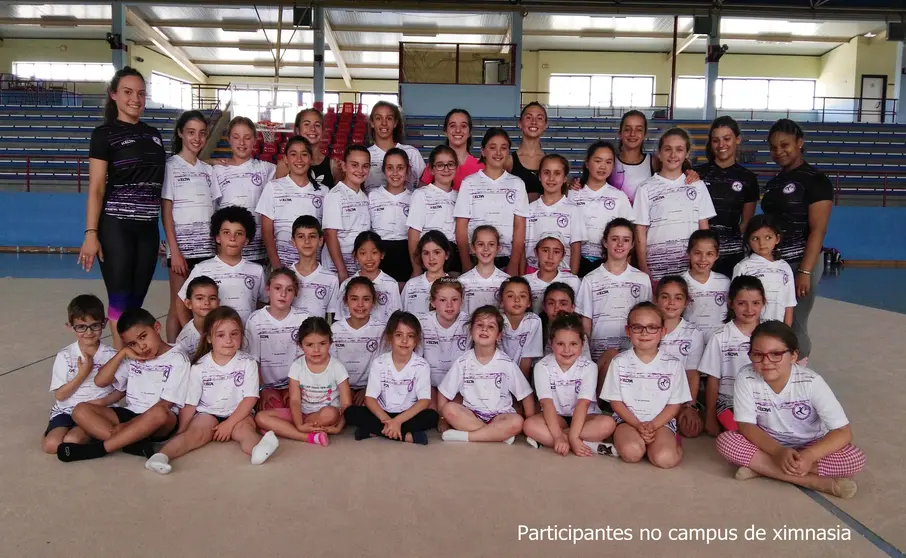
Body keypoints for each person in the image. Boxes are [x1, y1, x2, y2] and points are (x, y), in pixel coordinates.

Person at [717, 321, 865, 499]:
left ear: (793, 356)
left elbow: (843, 432)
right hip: (767, 444)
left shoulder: (811, 382)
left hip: (810, 444)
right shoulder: (746, 376)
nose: (766, 362)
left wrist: (809, 456)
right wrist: (778, 452)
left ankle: (762, 468)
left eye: (776, 354)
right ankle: (814, 482)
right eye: (758, 354)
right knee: (727, 442)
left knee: (854, 459)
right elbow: (746, 426)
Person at [78, 66, 167, 348]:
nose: (135, 99)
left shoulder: (154, 135)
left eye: (141, 93)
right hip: (116, 227)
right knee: (119, 299)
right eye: (128, 92)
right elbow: (96, 187)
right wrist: (91, 233)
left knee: (136, 301)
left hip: (148, 230)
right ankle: (122, 361)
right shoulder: (104, 134)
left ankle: (132, 357)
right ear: (114, 95)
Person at [144, 307, 278, 474]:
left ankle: (258, 450)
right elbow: (190, 404)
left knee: (246, 431)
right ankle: (161, 457)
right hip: (208, 414)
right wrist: (181, 430)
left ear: (241, 335)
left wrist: (229, 424)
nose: (228, 340)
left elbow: (250, 398)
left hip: (239, 413)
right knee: (194, 434)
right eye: (221, 335)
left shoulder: (248, 363)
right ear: (208, 338)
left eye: (234, 334)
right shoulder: (199, 367)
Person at [57, 308, 190, 462]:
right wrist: (123, 353)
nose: (141, 346)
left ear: (157, 327)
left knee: (160, 413)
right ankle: (133, 443)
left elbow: (166, 404)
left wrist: (127, 426)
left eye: (143, 337)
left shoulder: (178, 358)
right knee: (80, 410)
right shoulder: (133, 355)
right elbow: (100, 381)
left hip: (159, 420)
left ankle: (97, 449)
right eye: (132, 343)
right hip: (131, 412)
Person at [762, 119, 833, 363]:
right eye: (773, 147)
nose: (779, 151)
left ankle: (800, 372)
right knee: (774, 320)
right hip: (776, 263)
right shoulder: (774, 183)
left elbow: (818, 230)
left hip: (801, 262)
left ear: (799, 143)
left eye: (785, 145)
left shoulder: (816, 180)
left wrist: (805, 271)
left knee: (795, 322)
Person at [600, 302, 691, 468]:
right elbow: (616, 402)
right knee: (632, 453)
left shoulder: (673, 365)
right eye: (637, 327)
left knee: (665, 459)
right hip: (627, 421)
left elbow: (674, 405)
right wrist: (637, 425)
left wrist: (653, 425)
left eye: (652, 327)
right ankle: (629, 439)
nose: (644, 333)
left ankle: (671, 443)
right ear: (628, 331)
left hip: (661, 422)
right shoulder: (619, 362)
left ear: (663, 331)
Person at [437, 306, 536, 444]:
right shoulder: (463, 362)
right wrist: (442, 419)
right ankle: (498, 435)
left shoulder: (506, 363)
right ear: (471, 331)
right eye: (480, 325)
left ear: (498, 335)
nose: (484, 329)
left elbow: (525, 394)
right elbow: (443, 393)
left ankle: (467, 436)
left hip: (499, 416)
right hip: (471, 414)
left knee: (517, 422)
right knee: (449, 409)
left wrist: (530, 423)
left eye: (491, 327)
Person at [523, 312, 617, 456]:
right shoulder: (542, 366)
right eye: (560, 344)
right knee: (529, 425)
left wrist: (572, 436)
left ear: (582, 344)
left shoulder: (589, 367)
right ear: (551, 343)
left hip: (585, 416)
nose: (567, 350)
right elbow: (547, 404)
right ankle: (587, 444)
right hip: (556, 416)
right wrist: (558, 436)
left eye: (573, 344)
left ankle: (557, 441)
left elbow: (583, 404)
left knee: (608, 424)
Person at [161, 110, 218, 342]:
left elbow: (213, 210)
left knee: (203, 305)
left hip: (207, 250)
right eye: (191, 132)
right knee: (177, 305)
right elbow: (166, 213)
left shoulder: (208, 170)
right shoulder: (170, 166)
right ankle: (173, 352)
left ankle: (200, 348)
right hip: (181, 251)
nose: (197, 138)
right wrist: (174, 251)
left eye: (202, 133)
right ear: (180, 133)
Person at [635, 128, 716, 283]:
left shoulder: (697, 186)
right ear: (659, 153)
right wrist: (643, 267)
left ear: (686, 154)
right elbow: (640, 232)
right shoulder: (645, 188)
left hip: (690, 269)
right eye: (668, 149)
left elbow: (704, 229)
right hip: (656, 269)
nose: (673, 155)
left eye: (679, 149)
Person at [255, 317, 352, 447]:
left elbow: (346, 404)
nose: (316, 350)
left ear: (330, 343)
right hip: (300, 413)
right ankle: (307, 436)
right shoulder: (297, 366)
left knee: (330, 414)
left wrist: (338, 428)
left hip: (324, 416)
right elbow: (295, 400)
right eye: (309, 345)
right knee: (260, 417)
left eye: (322, 343)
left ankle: (284, 429)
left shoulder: (337, 368)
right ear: (300, 345)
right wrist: (299, 424)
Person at [43, 295, 122, 454]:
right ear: (70, 326)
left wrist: (102, 402)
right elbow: (60, 395)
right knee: (51, 445)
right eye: (81, 327)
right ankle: (89, 434)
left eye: (95, 326)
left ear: (104, 323)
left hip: (96, 411)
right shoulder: (65, 355)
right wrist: (82, 374)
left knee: (72, 440)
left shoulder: (111, 355)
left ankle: (94, 433)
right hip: (66, 410)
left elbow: (121, 390)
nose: (89, 332)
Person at [345, 311, 439, 444]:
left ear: (416, 341)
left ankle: (375, 431)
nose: (404, 341)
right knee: (351, 412)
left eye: (410, 336)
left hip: (407, 415)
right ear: (390, 338)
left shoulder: (421, 365)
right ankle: (406, 436)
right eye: (399, 335)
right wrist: (389, 421)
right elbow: (370, 399)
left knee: (432, 416)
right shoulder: (379, 363)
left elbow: (424, 401)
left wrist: (397, 421)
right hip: (382, 413)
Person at [576, 218, 652, 379]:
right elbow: (586, 324)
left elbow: (646, 320)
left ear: (632, 245)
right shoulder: (590, 279)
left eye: (626, 240)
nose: (620, 244)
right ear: (605, 242)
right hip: (599, 356)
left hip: (632, 355)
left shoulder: (642, 279)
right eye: (614, 239)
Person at [454, 128, 529, 275]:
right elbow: (461, 226)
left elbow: (519, 226)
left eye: (504, 148)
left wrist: (514, 263)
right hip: (475, 260)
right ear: (483, 151)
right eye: (492, 147)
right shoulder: (469, 183)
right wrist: (466, 262)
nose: (498, 153)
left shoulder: (517, 184)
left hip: (505, 260)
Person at [700, 275, 766, 437]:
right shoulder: (720, 337)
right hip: (729, 401)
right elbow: (713, 380)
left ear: (764, 303)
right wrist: (709, 418)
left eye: (756, 303)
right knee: (742, 433)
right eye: (742, 303)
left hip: (765, 401)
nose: (749, 310)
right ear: (731, 304)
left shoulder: (771, 333)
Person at [178, 206, 267, 325]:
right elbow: (181, 302)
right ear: (218, 237)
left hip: (246, 335)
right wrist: (192, 332)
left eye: (239, 233)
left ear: (246, 240)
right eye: (226, 232)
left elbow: (263, 304)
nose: (232, 238)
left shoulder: (257, 271)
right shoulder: (201, 269)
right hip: (213, 336)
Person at [694, 116, 759, 276]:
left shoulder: (748, 178)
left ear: (737, 139)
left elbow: (746, 222)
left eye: (727, 139)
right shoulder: (698, 174)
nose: (721, 144)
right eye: (716, 140)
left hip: (731, 254)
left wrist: (730, 244)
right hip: (700, 253)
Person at [213, 116, 277, 264]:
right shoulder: (216, 170)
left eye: (247, 138)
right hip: (227, 249)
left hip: (257, 250)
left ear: (255, 140)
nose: (241, 143)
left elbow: (291, 164)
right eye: (236, 137)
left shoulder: (266, 169)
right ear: (229, 140)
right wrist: (209, 161)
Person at [256, 136, 326, 268]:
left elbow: (325, 233)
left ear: (311, 159)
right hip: (282, 265)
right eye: (293, 154)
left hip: (312, 267)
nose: (299, 159)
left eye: (304, 154)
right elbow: (266, 231)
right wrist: (276, 264)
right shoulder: (273, 187)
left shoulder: (324, 191)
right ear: (286, 159)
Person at [245, 268, 309, 412]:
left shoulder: (303, 318)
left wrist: (295, 387)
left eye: (289, 289)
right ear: (268, 290)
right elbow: (253, 361)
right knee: (273, 409)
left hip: (295, 384)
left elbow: (305, 359)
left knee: (296, 409)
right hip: (267, 386)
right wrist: (262, 389)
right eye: (277, 288)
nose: (283, 294)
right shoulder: (255, 320)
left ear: (295, 293)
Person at [569, 140, 635, 277]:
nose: (603, 166)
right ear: (587, 163)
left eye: (608, 162)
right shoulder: (573, 193)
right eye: (598, 161)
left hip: (608, 264)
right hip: (575, 262)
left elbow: (628, 236)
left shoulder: (619, 197)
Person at [414, 278, 470, 431]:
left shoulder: (469, 323)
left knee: (454, 411)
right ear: (433, 302)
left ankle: (446, 417)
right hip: (431, 383)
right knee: (430, 414)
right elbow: (417, 361)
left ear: (462, 301)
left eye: (454, 300)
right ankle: (441, 416)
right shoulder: (422, 322)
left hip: (458, 386)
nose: (449, 305)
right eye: (443, 300)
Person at [655, 276, 706, 439]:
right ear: (656, 300)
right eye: (665, 297)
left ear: (686, 302)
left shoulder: (693, 333)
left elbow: (692, 373)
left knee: (691, 429)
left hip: (677, 398)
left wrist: (690, 406)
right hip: (649, 392)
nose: (671, 303)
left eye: (678, 298)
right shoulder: (648, 327)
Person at [330, 277, 386, 406]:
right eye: (354, 299)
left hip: (372, 388)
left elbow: (385, 366)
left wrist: (369, 389)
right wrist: (345, 389)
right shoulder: (335, 329)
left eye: (366, 299)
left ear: (373, 301)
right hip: (340, 387)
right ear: (346, 301)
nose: (360, 304)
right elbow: (331, 365)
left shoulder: (381, 330)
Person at [525, 154, 584, 274]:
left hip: (563, 275)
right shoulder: (529, 209)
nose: (551, 178)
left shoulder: (573, 210)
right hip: (533, 273)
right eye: (546, 173)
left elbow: (576, 249)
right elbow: (522, 248)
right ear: (539, 176)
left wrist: (572, 278)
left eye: (557, 173)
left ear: (565, 178)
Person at [733, 215, 796, 325]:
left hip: (777, 328)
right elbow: (736, 302)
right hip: (750, 329)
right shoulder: (743, 267)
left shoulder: (785, 267)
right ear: (748, 241)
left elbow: (789, 304)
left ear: (777, 239)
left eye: (768, 237)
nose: (762, 243)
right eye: (755, 239)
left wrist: (786, 330)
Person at [408, 145, 460, 274]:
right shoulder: (421, 194)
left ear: (456, 167)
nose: (446, 169)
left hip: (453, 256)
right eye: (440, 165)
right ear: (431, 169)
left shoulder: (459, 196)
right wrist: (416, 268)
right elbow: (413, 234)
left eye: (450, 164)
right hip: (430, 254)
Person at [323, 144, 371, 281]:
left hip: (357, 267)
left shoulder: (364, 197)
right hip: (337, 269)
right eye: (354, 165)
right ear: (344, 166)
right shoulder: (335, 195)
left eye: (365, 166)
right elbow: (330, 234)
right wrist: (341, 270)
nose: (360, 170)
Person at [369, 147, 413, 285]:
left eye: (400, 168)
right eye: (390, 168)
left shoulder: (414, 197)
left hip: (406, 253)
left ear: (407, 170)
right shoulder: (373, 196)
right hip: (379, 253)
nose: (395, 173)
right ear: (383, 170)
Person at [337, 231, 402, 324]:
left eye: (374, 253)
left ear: (382, 254)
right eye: (363, 253)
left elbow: (395, 319)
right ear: (355, 256)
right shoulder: (346, 284)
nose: (369, 258)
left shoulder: (391, 284)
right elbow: (340, 319)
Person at [681, 230, 731, 342]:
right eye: (697, 253)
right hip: (690, 343)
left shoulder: (725, 282)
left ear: (717, 255)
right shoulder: (680, 283)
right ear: (688, 253)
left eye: (709, 254)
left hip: (719, 343)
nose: (703, 259)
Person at [365, 101, 425, 193]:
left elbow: (425, 186)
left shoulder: (412, 153)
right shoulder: (365, 155)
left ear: (395, 123)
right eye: (378, 118)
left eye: (389, 118)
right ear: (372, 123)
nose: (384, 123)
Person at [275, 107, 341, 188]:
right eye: (306, 124)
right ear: (298, 130)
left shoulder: (333, 166)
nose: (312, 129)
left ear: (323, 131)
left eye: (317, 125)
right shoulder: (284, 165)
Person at [419, 108, 483, 190]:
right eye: (452, 126)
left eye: (463, 126)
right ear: (445, 131)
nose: (458, 130)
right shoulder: (436, 164)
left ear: (469, 132)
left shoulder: (481, 167)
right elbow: (421, 193)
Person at [289, 215, 340, 318]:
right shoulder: (285, 275)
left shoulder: (331, 279)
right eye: (301, 237)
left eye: (312, 236)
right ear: (293, 242)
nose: (307, 241)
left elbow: (331, 317)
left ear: (320, 241)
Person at [458, 226, 510, 315]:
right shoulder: (462, 281)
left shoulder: (507, 280)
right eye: (481, 244)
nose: (486, 249)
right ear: (473, 248)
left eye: (491, 244)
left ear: (498, 248)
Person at [498, 277, 543, 378]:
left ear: (529, 302)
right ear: (501, 301)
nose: (517, 300)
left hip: (522, 375)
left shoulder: (533, 321)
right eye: (510, 296)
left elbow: (526, 359)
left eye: (522, 296)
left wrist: (521, 384)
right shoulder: (496, 320)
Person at [524, 236, 581, 315]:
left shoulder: (573, 281)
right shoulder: (526, 281)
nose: (550, 257)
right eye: (545, 251)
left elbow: (578, 313)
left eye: (556, 252)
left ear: (563, 256)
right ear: (536, 253)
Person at [505, 101, 547, 201]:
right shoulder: (508, 162)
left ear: (545, 125)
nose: (534, 122)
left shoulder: (550, 162)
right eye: (528, 117)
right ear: (520, 123)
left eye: (539, 118)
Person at [538, 283, 591, 361]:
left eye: (563, 304)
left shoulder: (579, 332)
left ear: (572, 307)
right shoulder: (538, 331)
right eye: (551, 303)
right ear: (544, 307)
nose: (556, 308)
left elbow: (586, 363)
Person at [402, 230, 450, 314]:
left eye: (437, 252)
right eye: (426, 253)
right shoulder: (411, 285)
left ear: (446, 254)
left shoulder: (454, 285)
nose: (431, 258)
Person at [175, 275, 220, 356]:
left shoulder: (226, 326)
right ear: (188, 303)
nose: (207, 302)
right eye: (200, 298)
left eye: (212, 298)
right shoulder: (184, 339)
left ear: (218, 303)